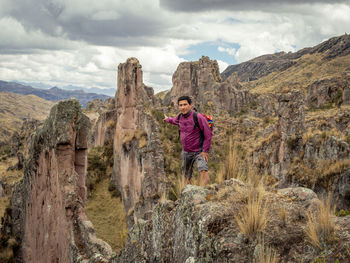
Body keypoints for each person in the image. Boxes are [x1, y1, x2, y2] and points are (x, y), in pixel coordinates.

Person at [163, 96, 213, 185]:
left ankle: (207, 194)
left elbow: (208, 134)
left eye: (185, 104)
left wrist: (205, 151)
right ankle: (189, 193)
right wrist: (167, 119)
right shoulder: (179, 117)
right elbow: (174, 121)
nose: (183, 107)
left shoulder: (198, 117)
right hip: (186, 152)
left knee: (203, 171)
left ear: (190, 105)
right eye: (180, 105)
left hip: (199, 151)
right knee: (186, 175)